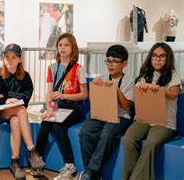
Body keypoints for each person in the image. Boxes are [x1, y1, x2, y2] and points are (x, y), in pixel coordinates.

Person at [122, 42, 182, 180]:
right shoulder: (145, 75)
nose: (158, 59)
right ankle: (127, 177)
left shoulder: (174, 74)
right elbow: (137, 96)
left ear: (168, 59)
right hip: (145, 118)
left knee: (152, 142)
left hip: (164, 121)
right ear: (150, 58)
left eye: (162, 56)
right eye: (154, 56)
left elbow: (173, 94)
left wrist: (159, 89)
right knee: (129, 139)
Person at [35, 33, 88, 179]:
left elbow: (84, 94)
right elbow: (49, 92)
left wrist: (64, 96)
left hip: (73, 107)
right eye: (60, 45)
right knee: (46, 122)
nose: (63, 48)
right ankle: (37, 159)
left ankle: (70, 165)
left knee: (57, 126)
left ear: (73, 48)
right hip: (57, 107)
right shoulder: (52, 67)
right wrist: (50, 108)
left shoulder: (79, 69)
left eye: (66, 45)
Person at [78, 45, 134, 180]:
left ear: (124, 63)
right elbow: (94, 100)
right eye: (108, 61)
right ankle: (93, 173)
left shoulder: (130, 81)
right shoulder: (102, 77)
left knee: (106, 135)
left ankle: (90, 172)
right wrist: (96, 87)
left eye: (114, 61)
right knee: (84, 133)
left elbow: (127, 105)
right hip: (101, 113)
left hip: (120, 115)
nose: (110, 64)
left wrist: (115, 89)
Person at [0, 43, 44, 179]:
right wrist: (5, 100)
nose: (9, 60)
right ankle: (32, 151)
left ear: (20, 59)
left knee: (16, 120)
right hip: (1, 112)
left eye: (13, 57)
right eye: (7, 57)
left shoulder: (25, 76)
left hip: (15, 113)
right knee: (21, 110)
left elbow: (26, 98)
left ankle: (14, 162)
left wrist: (8, 96)